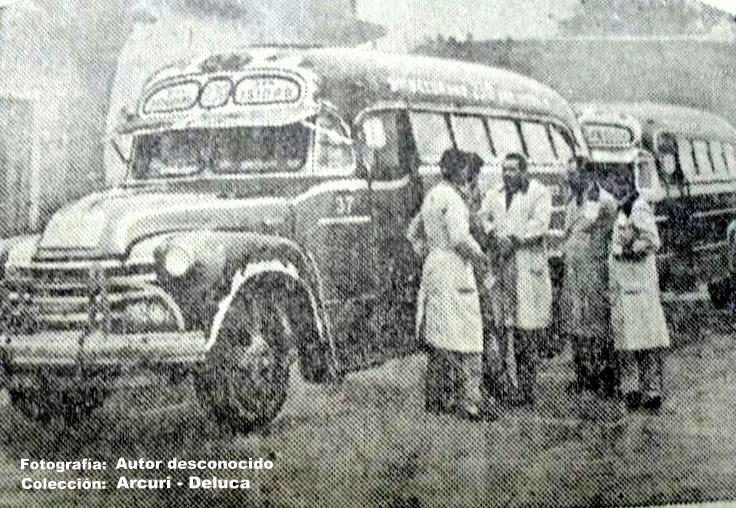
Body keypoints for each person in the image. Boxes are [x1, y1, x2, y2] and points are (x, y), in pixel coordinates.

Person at [407, 148, 490, 420]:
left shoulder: (432, 195)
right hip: (454, 267)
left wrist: (429, 252)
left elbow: (412, 233)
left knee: (439, 334)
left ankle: (438, 397)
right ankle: (471, 402)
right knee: (470, 333)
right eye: (465, 168)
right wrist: (481, 256)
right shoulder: (453, 199)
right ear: (460, 170)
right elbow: (459, 239)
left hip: (434, 267)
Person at [479, 152, 552, 405]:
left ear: (524, 170)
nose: (507, 174)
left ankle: (526, 388)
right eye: (504, 169)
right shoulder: (494, 193)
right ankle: (506, 385)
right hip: (501, 266)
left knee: (525, 330)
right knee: (501, 326)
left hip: (525, 268)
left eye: (512, 169)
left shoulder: (539, 192)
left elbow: (540, 224)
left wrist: (513, 239)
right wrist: (493, 236)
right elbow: (482, 217)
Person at [606, 165, 670, 411]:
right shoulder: (621, 209)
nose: (615, 189)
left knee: (646, 339)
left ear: (628, 184)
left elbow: (652, 240)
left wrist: (629, 250)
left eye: (620, 184)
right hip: (623, 286)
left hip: (638, 285)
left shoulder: (638, 206)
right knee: (627, 341)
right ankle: (631, 389)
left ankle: (651, 390)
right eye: (613, 185)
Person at [559, 156, 618, 397]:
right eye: (568, 173)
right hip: (574, 272)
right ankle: (583, 376)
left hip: (594, 273)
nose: (568, 178)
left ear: (588, 175)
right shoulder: (573, 200)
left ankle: (606, 378)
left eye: (573, 174)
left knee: (598, 327)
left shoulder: (604, 202)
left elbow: (607, 238)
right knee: (576, 325)